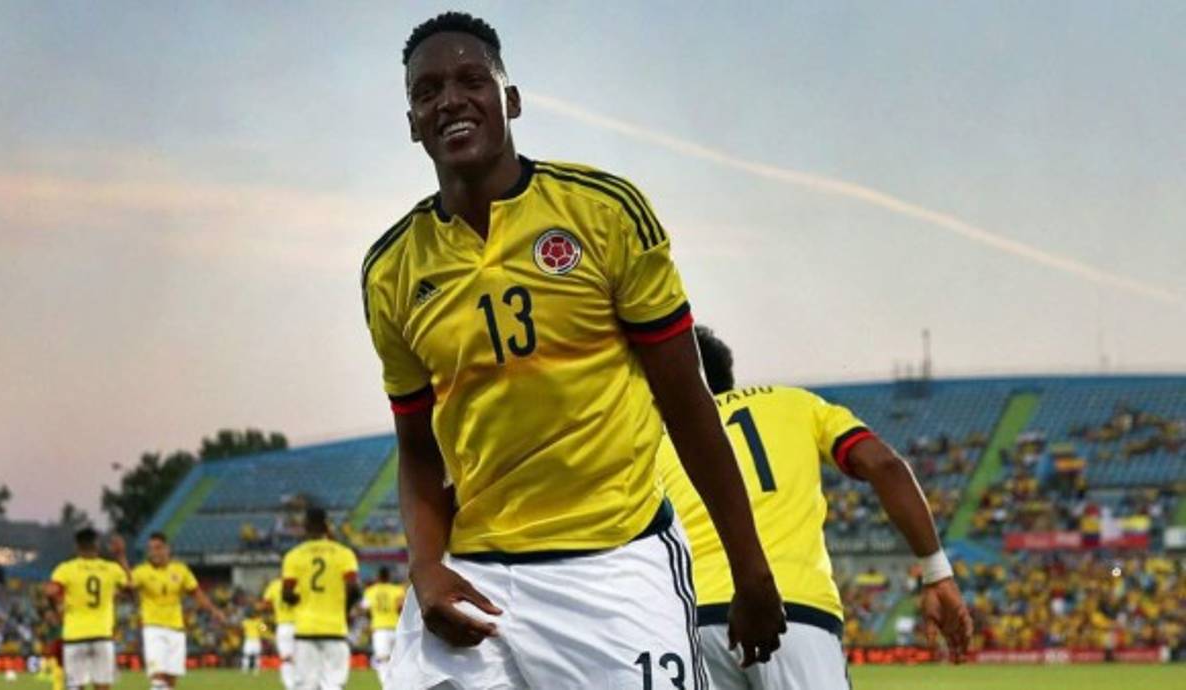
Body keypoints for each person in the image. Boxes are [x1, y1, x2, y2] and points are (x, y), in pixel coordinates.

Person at [362, 11, 784, 689]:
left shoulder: (605, 212)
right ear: (413, 122)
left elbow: (686, 400)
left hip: (613, 564)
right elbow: (417, 448)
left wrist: (751, 569)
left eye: (472, 79)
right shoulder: (391, 270)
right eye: (427, 91)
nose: (449, 100)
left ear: (512, 100)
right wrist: (427, 564)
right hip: (475, 570)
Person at [655, 325, 975, 690]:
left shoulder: (658, 444)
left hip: (693, 624)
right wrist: (937, 573)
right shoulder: (797, 404)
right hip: (793, 613)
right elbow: (885, 465)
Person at [130, 532, 226, 689]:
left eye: (158, 548)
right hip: (153, 629)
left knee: (171, 681)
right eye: (151, 549)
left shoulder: (180, 570)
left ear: (167, 549)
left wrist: (214, 611)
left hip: (176, 630)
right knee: (158, 677)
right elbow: (128, 586)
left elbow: (197, 593)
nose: (154, 552)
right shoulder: (141, 572)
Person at [281, 508, 360, 690]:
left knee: (305, 685)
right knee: (334, 684)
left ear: (305, 527)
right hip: (335, 628)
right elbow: (353, 589)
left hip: (305, 629)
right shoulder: (344, 553)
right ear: (326, 525)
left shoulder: (294, 555)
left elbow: (286, 594)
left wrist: (299, 600)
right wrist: (344, 610)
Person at [45, 528, 131, 690]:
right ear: (97, 545)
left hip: (75, 635)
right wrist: (120, 556)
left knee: (76, 686)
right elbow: (130, 588)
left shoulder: (66, 569)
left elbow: (50, 591)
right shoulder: (111, 568)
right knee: (103, 686)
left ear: (77, 547)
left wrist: (57, 609)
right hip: (102, 634)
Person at [361, 566, 406, 667]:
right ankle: (396, 681)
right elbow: (401, 608)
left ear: (378, 577)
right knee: (398, 660)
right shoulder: (398, 590)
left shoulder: (371, 591)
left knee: (382, 660)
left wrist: (371, 618)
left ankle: (385, 682)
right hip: (396, 628)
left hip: (379, 628)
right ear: (389, 577)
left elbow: (365, 609)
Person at [261, 576, 298, 689]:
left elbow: (265, 604)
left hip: (283, 626)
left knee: (286, 658)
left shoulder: (274, 585)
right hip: (301, 625)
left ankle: (290, 686)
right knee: (301, 657)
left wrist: (276, 609)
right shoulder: (300, 583)